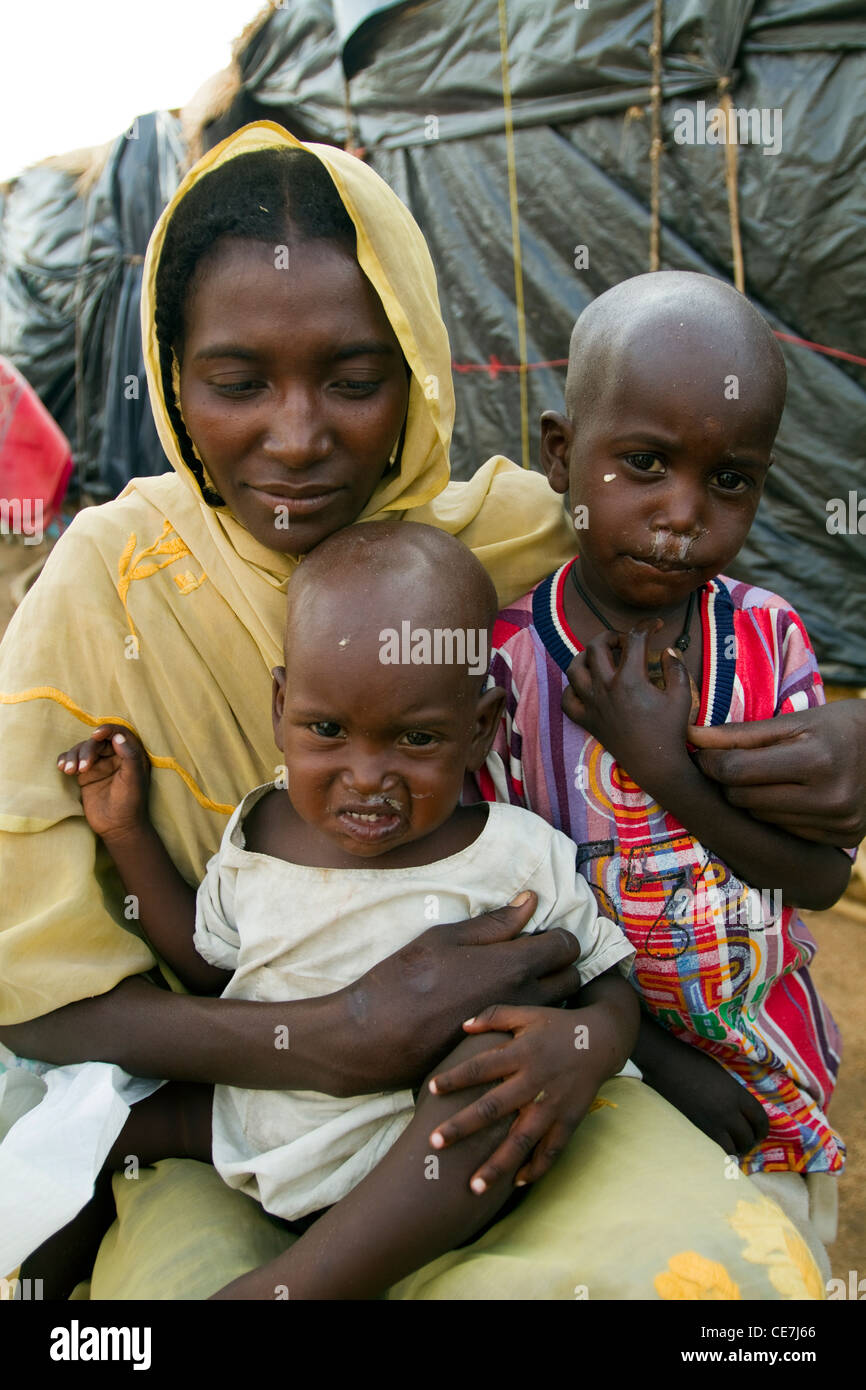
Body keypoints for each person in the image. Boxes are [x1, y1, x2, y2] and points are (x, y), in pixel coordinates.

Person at [0, 123, 857, 1300]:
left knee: (727, 1285)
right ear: (171, 376)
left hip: (508, 1088)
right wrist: (330, 1032)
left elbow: (685, 561)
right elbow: (38, 1005)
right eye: (237, 381)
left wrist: (851, 734)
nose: (296, 439)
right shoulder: (102, 589)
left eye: (354, 380)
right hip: (229, 1108)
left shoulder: (501, 540)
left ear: (415, 365)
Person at [28, 522, 636, 1300]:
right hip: (248, 1121)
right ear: (282, 706)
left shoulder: (513, 855)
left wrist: (588, 1041)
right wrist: (126, 832)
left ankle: (309, 1283)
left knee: (488, 1079)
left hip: (411, 1166)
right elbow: (205, 963)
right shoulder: (262, 830)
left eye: (416, 739)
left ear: (479, 728)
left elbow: (606, 974)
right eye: (327, 731)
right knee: (75, 1133)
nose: (366, 779)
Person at [477, 272, 853, 1277]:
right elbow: (507, 919)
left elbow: (815, 879)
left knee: (775, 1266)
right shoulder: (507, 670)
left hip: (770, 1056)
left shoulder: (765, 643)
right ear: (562, 455)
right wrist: (654, 1057)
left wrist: (663, 768)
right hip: (601, 1073)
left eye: (727, 479)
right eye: (641, 463)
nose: (682, 513)